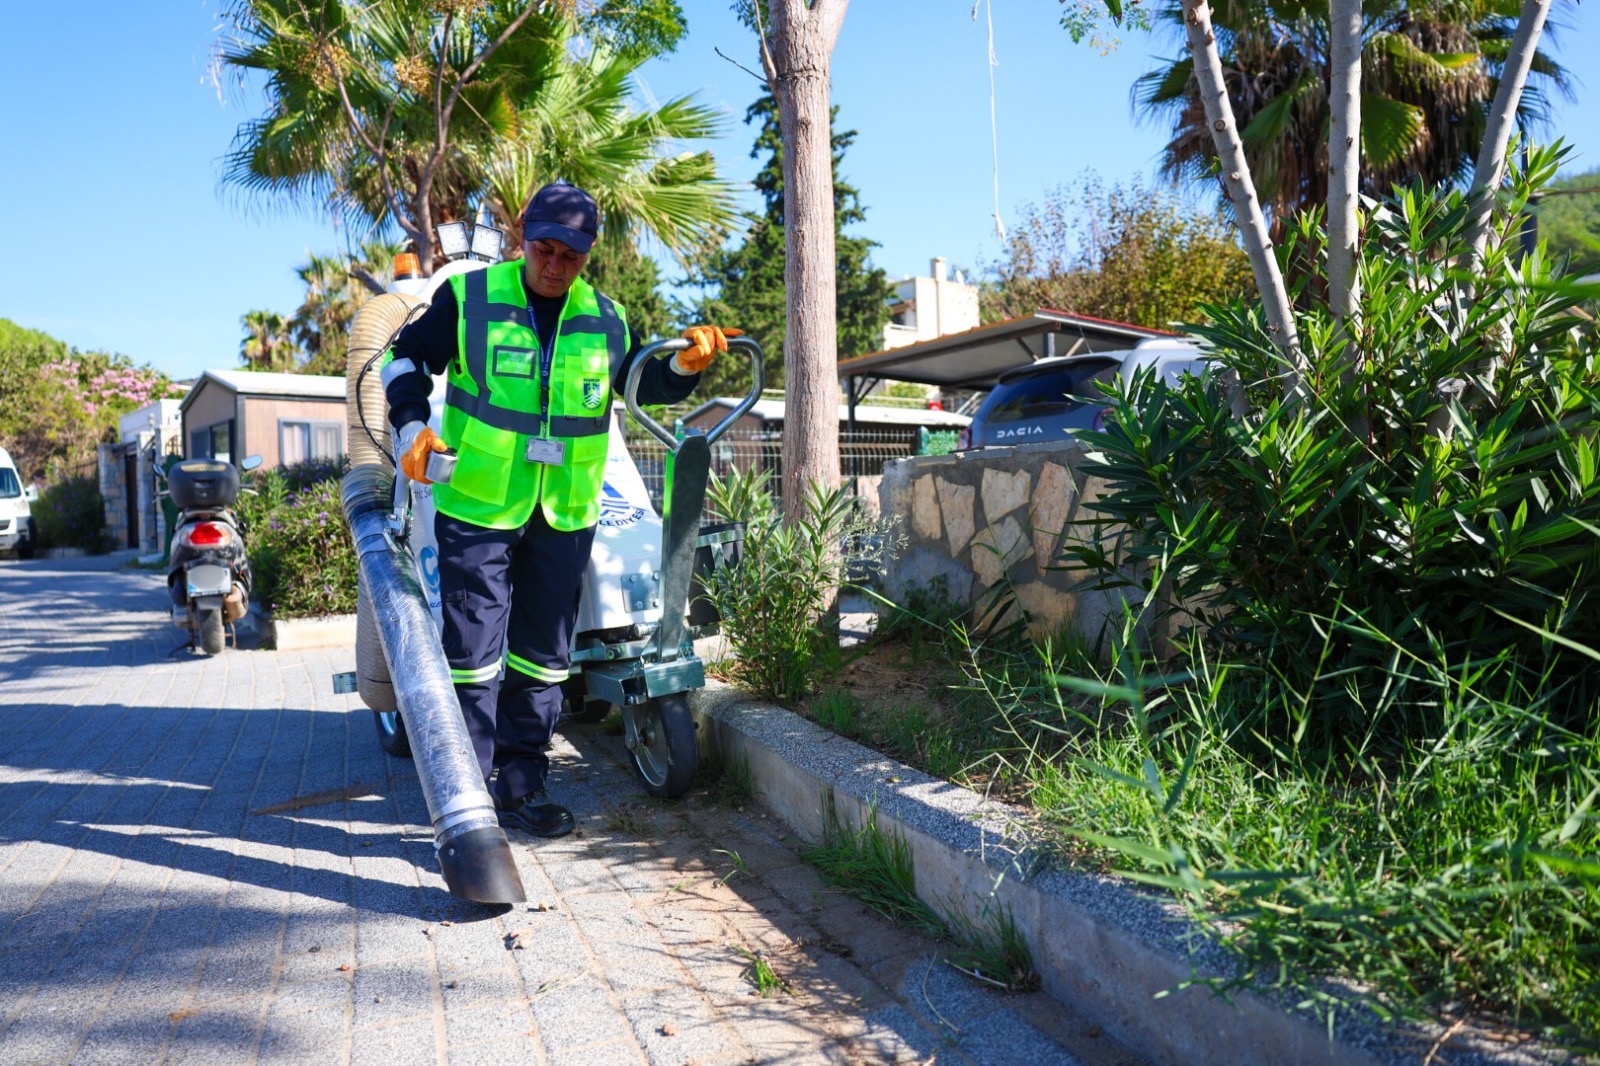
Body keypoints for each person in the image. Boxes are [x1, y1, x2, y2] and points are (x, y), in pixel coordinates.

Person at [382, 182, 739, 839]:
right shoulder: (469, 299)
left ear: (587, 254)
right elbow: (402, 358)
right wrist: (409, 427)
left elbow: (641, 383)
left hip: (566, 513)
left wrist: (685, 367)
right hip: (480, 507)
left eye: (568, 256)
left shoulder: (606, 318)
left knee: (543, 660)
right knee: (473, 657)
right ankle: (467, 799)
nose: (552, 265)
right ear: (522, 235)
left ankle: (523, 789)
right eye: (542, 248)